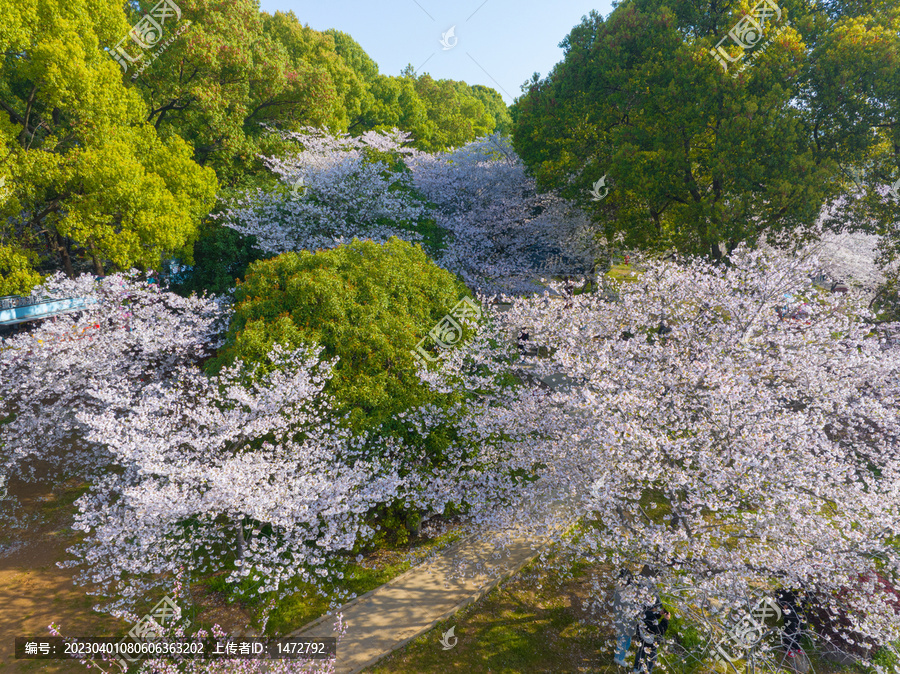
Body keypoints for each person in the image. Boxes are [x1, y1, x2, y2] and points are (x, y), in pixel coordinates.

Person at [633, 602, 670, 674]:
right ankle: (647, 671)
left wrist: (658, 614)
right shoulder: (651, 620)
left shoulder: (642, 613)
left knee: (640, 652)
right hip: (651, 643)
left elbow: (650, 616)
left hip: (641, 638)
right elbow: (659, 631)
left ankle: (636, 668)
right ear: (653, 608)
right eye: (657, 608)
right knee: (652, 658)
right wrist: (665, 620)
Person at [612, 569, 636, 666]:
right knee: (623, 637)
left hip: (626, 617)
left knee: (626, 637)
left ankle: (622, 653)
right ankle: (619, 657)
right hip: (624, 617)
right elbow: (626, 603)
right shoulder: (621, 590)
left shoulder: (622, 588)